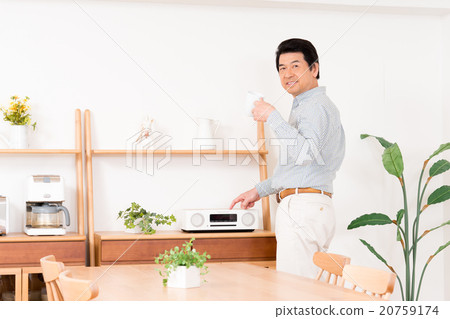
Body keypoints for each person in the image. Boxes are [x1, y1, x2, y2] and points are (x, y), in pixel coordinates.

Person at [229, 38, 345, 278]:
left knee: (295, 290)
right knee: (306, 289)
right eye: (282, 68)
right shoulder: (308, 106)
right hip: (310, 206)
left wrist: (272, 116)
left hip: (303, 207)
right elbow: (301, 167)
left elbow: (303, 154)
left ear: (314, 68)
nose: (287, 74)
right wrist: (259, 190)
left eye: (295, 66)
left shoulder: (315, 106)